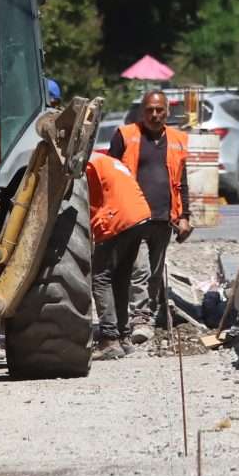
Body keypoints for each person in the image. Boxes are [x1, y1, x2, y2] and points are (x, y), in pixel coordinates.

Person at [107, 90, 193, 344]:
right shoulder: (126, 136)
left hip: (163, 219)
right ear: (141, 112)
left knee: (154, 272)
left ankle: (148, 313)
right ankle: (140, 318)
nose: (154, 115)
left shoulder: (177, 140)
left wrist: (184, 216)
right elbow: (108, 175)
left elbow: (181, 182)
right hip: (133, 217)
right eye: (149, 110)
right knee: (140, 269)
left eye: (159, 110)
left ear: (167, 111)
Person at [86, 151, 152, 359]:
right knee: (120, 277)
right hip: (140, 216)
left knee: (100, 277)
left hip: (118, 218)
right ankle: (124, 337)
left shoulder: (87, 164)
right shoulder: (107, 161)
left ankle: (109, 339)